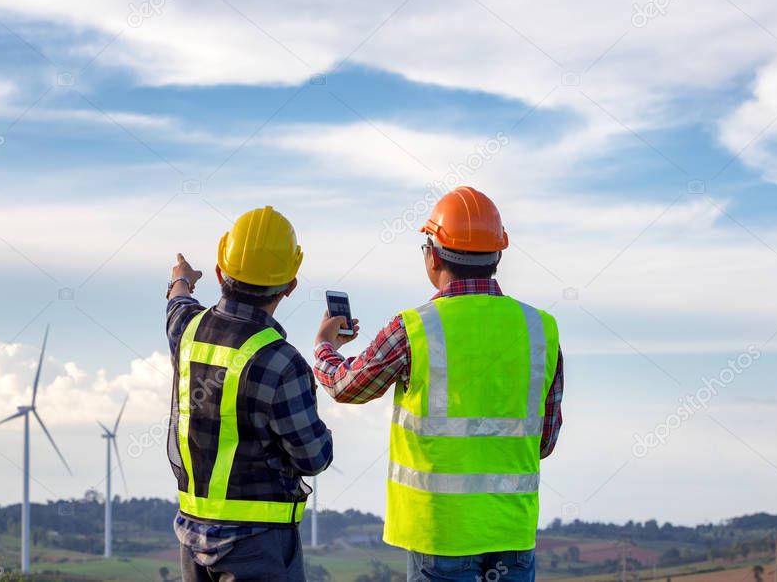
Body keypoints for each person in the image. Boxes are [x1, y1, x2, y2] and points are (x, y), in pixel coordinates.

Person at [314, 186, 564, 582]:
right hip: (512, 533)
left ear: (433, 255)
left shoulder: (415, 328)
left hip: (439, 535)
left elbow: (347, 385)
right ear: (498, 255)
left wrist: (325, 347)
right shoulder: (541, 329)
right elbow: (545, 441)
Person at [166, 205, 338, 582]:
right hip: (259, 548)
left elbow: (177, 303)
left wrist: (181, 279)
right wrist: (327, 346)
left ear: (218, 271)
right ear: (291, 285)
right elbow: (313, 457)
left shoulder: (187, 331)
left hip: (192, 541)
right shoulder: (281, 362)